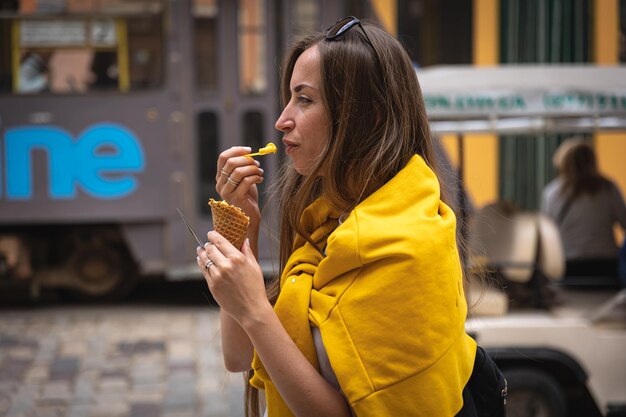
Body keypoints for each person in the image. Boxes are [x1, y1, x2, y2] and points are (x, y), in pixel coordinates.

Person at [196, 16, 477, 416]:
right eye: (289, 98)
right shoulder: (327, 222)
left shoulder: (410, 246)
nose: (282, 120)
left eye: (305, 99)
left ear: (371, 117)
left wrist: (256, 310)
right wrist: (242, 224)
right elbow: (238, 356)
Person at [542, 138, 626, 281]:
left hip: (568, 263)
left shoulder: (552, 192)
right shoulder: (608, 188)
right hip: (605, 263)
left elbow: (547, 233)